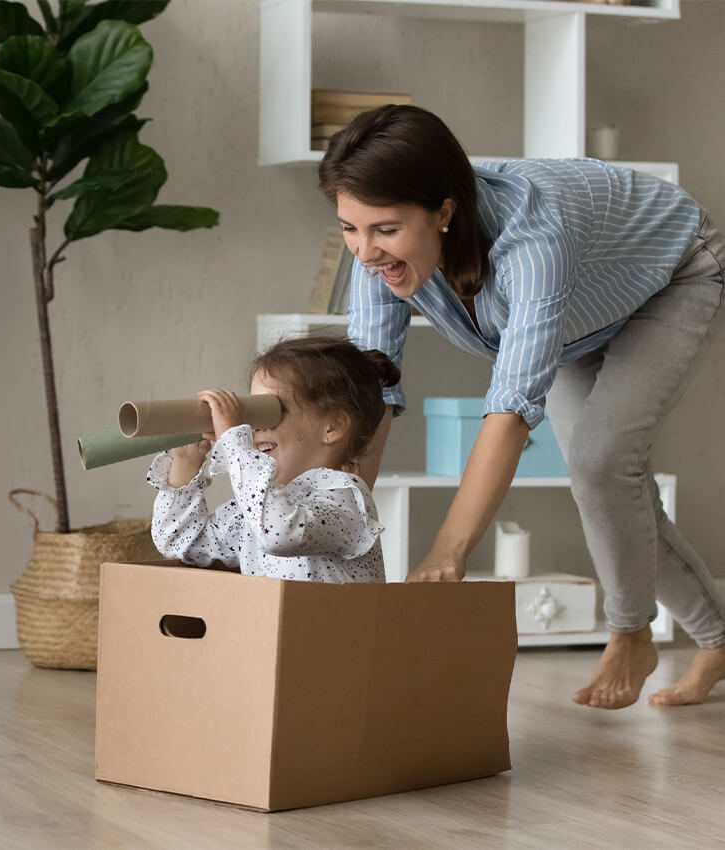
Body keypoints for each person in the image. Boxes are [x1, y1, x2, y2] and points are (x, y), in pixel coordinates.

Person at [318, 104, 725, 709]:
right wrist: (342, 523)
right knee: (606, 483)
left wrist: (448, 553)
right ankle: (718, 639)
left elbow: (509, 412)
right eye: (350, 228)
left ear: (445, 213)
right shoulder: (379, 259)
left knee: (600, 460)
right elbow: (371, 390)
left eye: (383, 229)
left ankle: (631, 632)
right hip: (579, 317)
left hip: (671, 274)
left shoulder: (533, 241)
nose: (364, 251)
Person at [147, 336, 400, 583]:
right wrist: (185, 465)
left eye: (272, 411)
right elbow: (181, 543)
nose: (254, 426)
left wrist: (234, 443)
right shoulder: (262, 506)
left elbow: (279, 533)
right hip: (275, 625)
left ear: (332, 427)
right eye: (253, 412)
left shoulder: (346, 499)